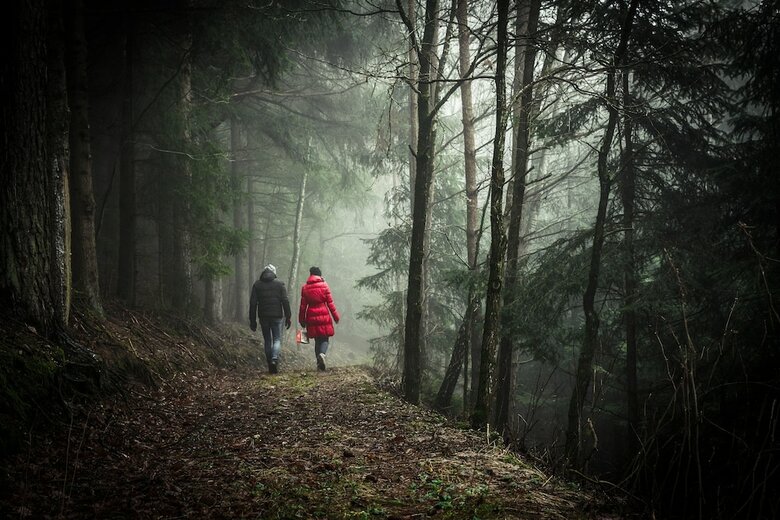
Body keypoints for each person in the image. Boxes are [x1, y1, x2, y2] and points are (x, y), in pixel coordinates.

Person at [249, 264, 291, 374]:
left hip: (263, 317)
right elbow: (285, 301)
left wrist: (252, 320)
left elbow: (253, 303)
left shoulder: (257, 285)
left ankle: (269, 363)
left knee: (267, 340)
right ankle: (274, 359)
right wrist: (288, 316)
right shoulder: (280, 284)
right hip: (277, 316)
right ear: (274, 273)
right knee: (277, 339)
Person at [299, 266, 340, 371]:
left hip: (311, 315)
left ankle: (319, 363)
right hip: (323, 314)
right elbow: (330, 303)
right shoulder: (324, 285)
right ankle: (322, 354)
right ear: (319, 275)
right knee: (324, 338)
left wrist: (301, 320)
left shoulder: (305, 288)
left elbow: (303, 306)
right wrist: (336, 317)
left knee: (317, 340)